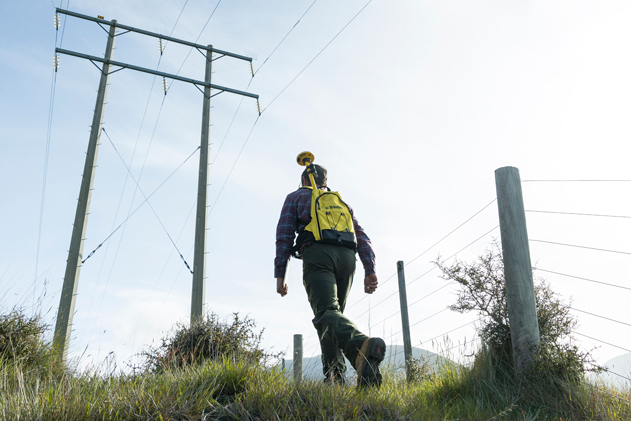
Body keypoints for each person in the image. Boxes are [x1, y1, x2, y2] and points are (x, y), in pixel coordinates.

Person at [274, 163, 386, 387]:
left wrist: (280, 275)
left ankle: (362, 349)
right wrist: (370, 269)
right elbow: (361, 236)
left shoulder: (296, 197)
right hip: (347, 258)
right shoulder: (340, 203)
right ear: (325, 181)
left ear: (304, 180)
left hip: (318, 254)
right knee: (333, 319)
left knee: (326, 313)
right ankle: (335, 380)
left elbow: (284, 234)